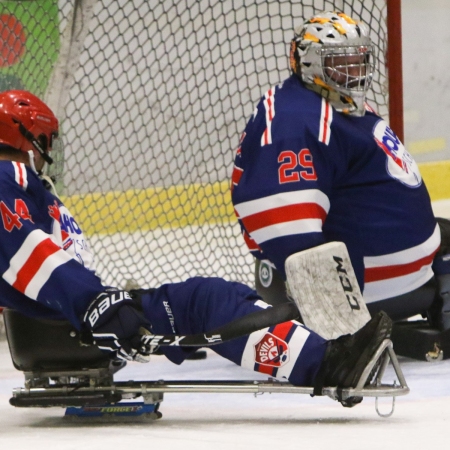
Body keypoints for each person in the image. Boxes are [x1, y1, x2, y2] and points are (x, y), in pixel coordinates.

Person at [0, 89, 391, 400]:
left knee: (208, 300)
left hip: (66, 319)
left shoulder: (18, 183)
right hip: (67, 325)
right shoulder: (6, 177)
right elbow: (27, 253)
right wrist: (95, 304)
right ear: (24, 137)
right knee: (206, 301)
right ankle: (327, 364)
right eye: (44, 141)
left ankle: (318, 352)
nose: (46, 152)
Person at [231, 11, 450, 330]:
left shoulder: (339, 105)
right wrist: (334, 318)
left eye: (357, 62)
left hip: (397, 275)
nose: (351, 73)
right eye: (339, 63)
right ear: (306, 62)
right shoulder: (293, 121)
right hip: (363, 289)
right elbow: (284, 225)